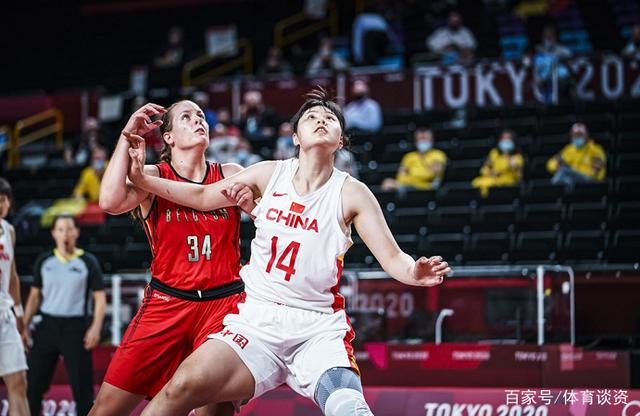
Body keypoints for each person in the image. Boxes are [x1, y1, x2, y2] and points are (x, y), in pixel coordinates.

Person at [125, 87, 450, 416]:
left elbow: (393, 257)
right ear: (295, 137)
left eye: (329, 118)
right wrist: (142, 179)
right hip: (256, 320)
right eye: (311, 117)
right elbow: (203, 197)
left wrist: (413, 272)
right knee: (179, 388)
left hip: (315, 326)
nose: (321, 120)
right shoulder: (269, 173)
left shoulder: (352, 192)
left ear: (340, 140)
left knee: (348, 406)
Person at [89, 100, 254, 416]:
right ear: (168, 137)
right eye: (187, 117)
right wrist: (126, 136)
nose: (198, 120)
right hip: (167, 303)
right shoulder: (152, 175)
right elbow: (109, 201)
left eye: (201, 116)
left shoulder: (230, 174)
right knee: (105, 410)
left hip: (223, 306)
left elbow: (272, 215)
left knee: (215, 412)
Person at [22, 215, 106, 416]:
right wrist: (23, 326)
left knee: (82, 388)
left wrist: (95, 327)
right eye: (60, 229)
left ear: (77, 232)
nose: (65, 234)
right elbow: (34, 297)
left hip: (76, 329)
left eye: (69, 229)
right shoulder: (45, 261)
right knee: (33, 385)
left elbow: (100, 298)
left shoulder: (88, 261)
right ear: (54, 233)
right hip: (47, 326)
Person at [0, 178, 30, 416]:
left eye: (3, 200)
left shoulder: (9, 231)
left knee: (18, 381)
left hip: (5, 315)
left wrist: (20, 317)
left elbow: (12, 277)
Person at [382, 127, 448, 191]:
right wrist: (422, 175)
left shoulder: (438, 155)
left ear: (432, 140)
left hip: (428, 189)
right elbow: (401, 178)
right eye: (421, 138)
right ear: (415, 141)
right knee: (387, 183)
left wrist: (411, 175)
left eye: (425, 138)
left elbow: (430, 175)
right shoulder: (409, 156)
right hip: (409, 188)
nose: (423, 141)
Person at [546, 122, 606, 190]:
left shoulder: (595, 149)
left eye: (580, 135)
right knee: (566, 177)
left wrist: (577, 172)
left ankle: (551, 189)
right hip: (575, 178)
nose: (577, 137)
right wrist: (557, 167)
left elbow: (598, 170)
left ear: (586, 135)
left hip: (590, 180)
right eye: (575, 135)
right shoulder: (569, 150)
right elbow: (551, 164)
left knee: (563, 172)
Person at [472, 129, 524, 197]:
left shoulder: (517, 157)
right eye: (503, 138)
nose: (505, 141)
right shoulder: (494, 153)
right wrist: (491, 173)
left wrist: (513, 166)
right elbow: (484, 168)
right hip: (493, 180)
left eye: (508, 138)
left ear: (513, 141)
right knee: (477, 182)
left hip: (507, 185)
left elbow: (518, 177)